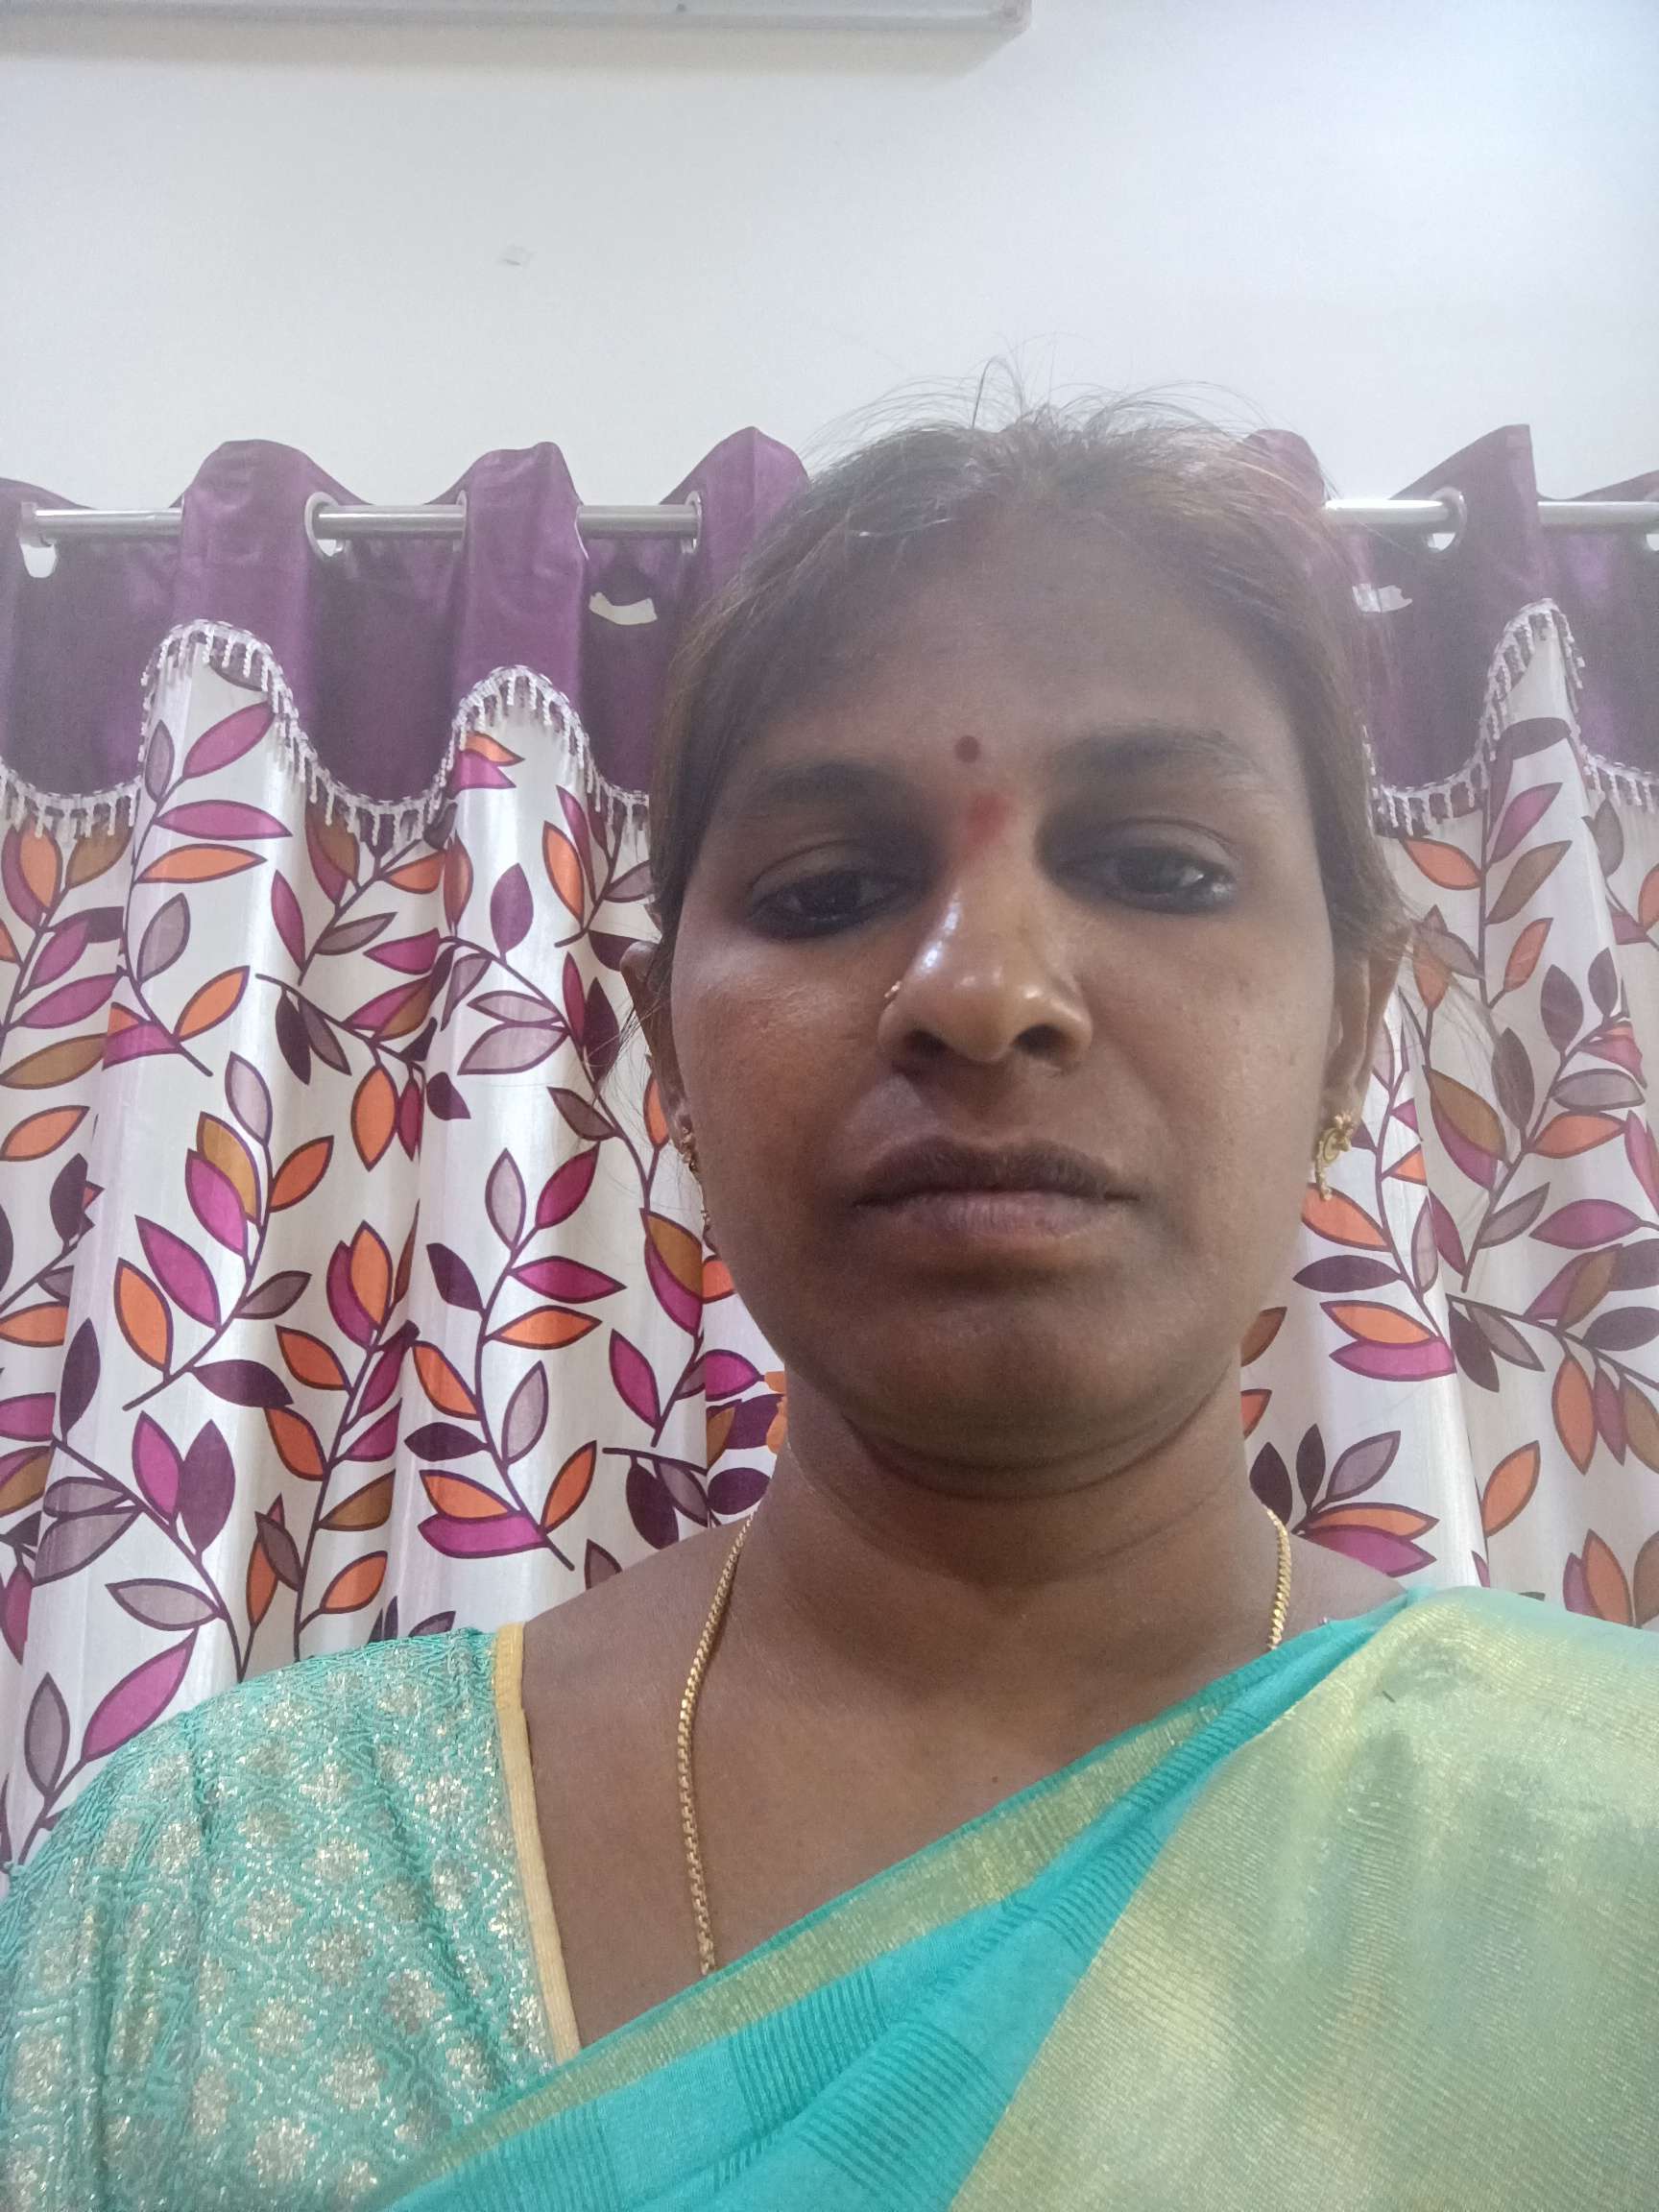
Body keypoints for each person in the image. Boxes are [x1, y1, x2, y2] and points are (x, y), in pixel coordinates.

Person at [3, 404, 1657, 2210]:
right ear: (667, 1055)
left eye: (1161, 868)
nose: (985, 990)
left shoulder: (1606, 1839)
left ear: (1350, 1031)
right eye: (831, 890)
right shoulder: (215, 1893)